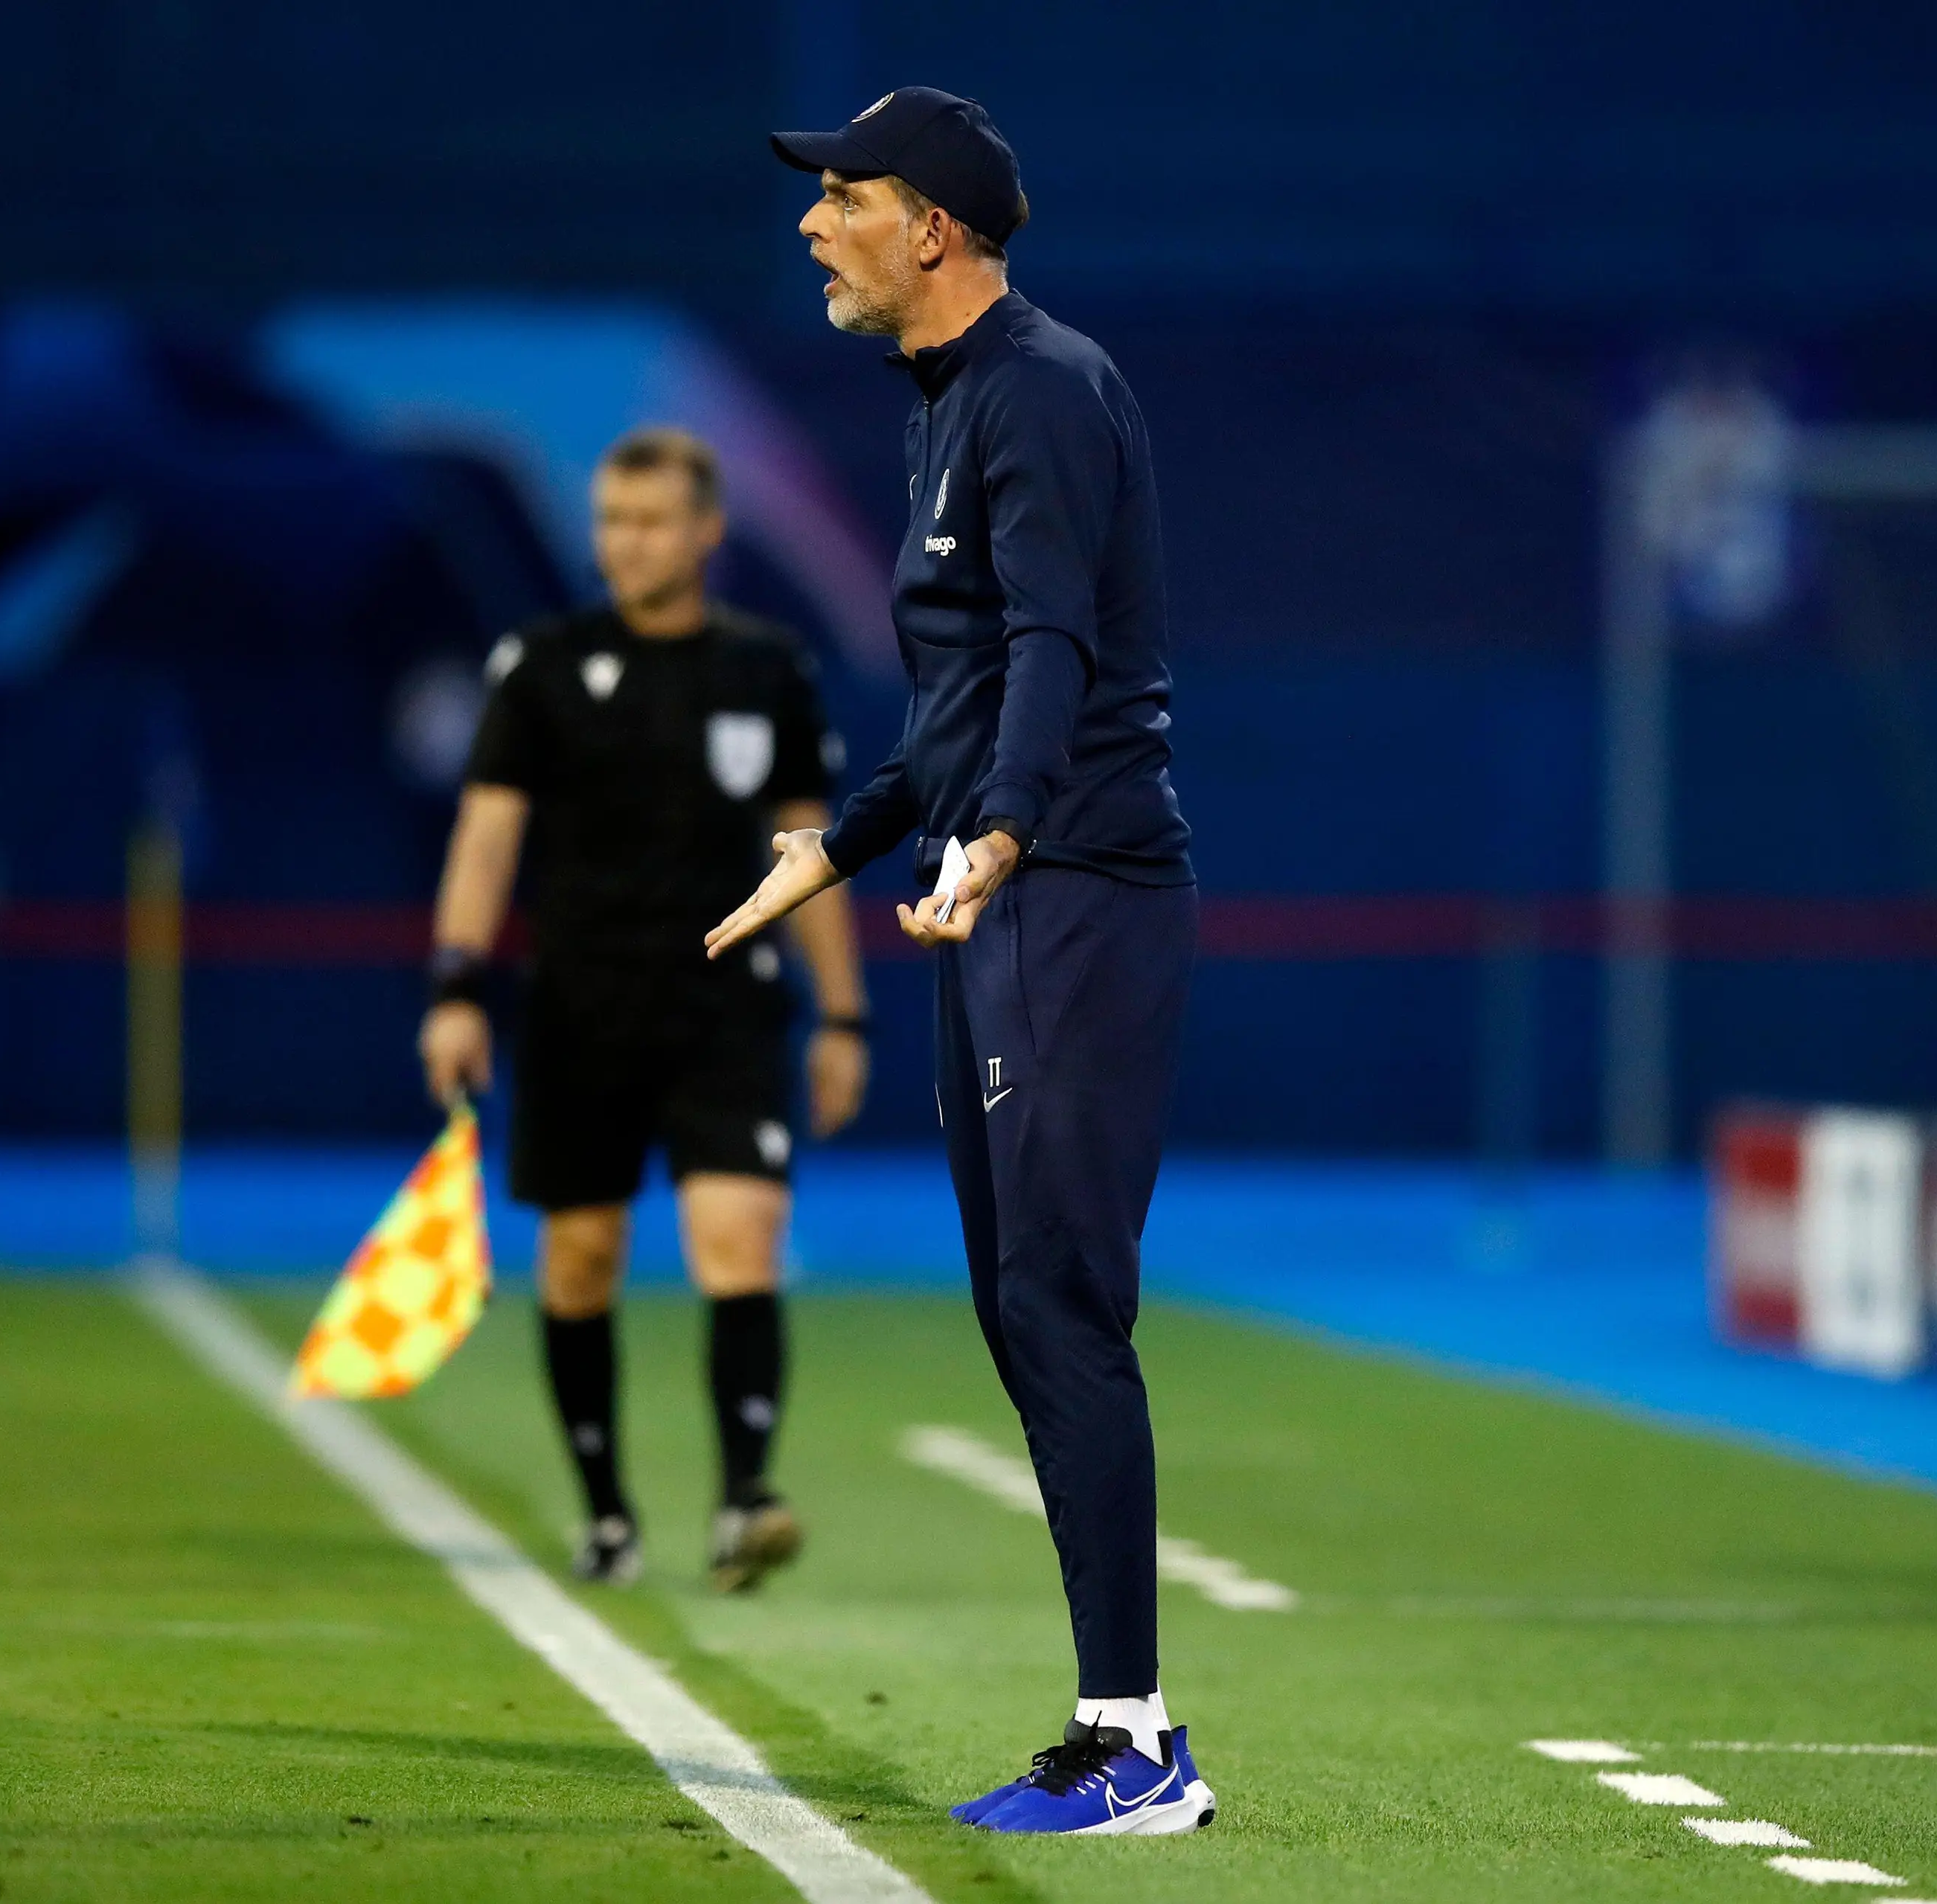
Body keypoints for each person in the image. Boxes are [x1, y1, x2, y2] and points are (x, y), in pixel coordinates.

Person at [707, 89, 1213, 1834]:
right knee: (1021, 1306)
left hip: (1070, 889)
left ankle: (1139, 1742)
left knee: (1063, 1301)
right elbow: (961, 704)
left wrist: (998, 836)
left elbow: (1060, 647)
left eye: (839, 196)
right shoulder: (947, 411)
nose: (811, 223)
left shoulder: (1045, 389)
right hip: (991, 887)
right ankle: (1116, 1723)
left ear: (931, 227)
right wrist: (835, 850)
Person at [421, 426, 871, 1593]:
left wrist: (844, 1014)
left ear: (708, 530)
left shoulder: (768, 668)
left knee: (739, 1236)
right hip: (579, 1012)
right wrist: (457, 987)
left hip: (729, 1011)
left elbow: (809, 848)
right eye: (612, 521)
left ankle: (743, 1498)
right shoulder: (543, 663)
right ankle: (609, 1512)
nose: (626, 543)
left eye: (652, 521)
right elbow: (485, 835)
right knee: (581, 1258)